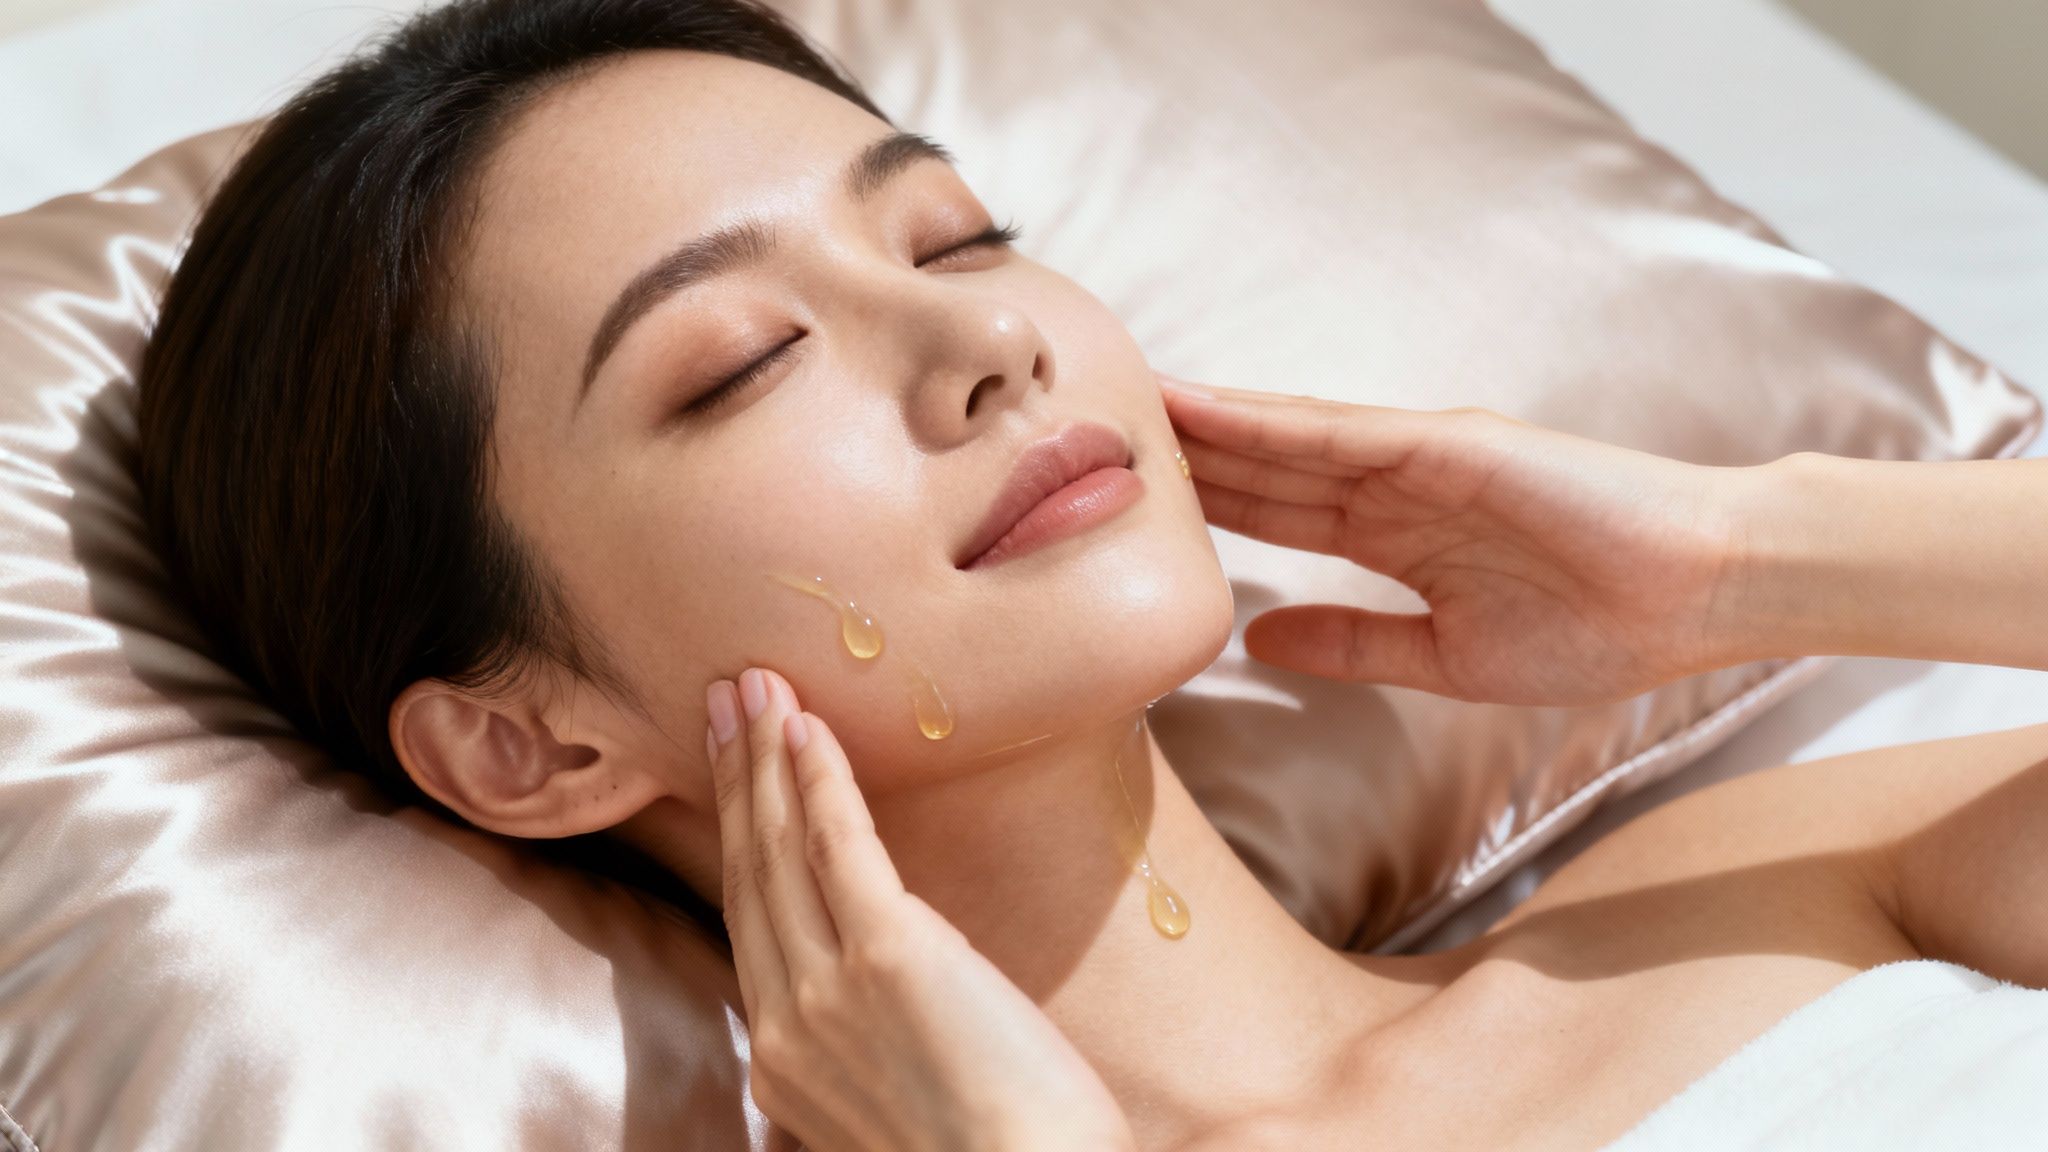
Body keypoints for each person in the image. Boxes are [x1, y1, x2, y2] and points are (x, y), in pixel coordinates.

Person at [133, 0, 2048, 1147]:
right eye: (740, 360)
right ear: (526, 747)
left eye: (961, 241)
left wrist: (1752, 553)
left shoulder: (1773, 889)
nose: (989, 347)